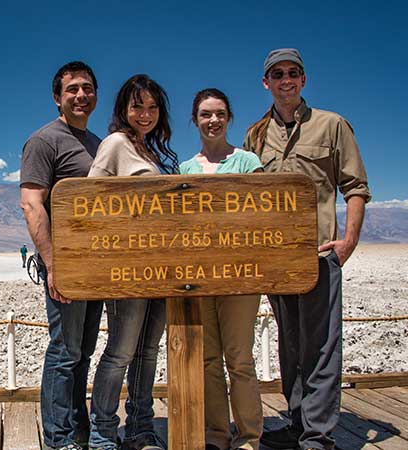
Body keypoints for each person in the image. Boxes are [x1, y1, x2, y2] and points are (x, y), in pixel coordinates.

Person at [244, 49, 370, 450]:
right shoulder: (256, 134)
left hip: (318, 254)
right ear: (266, 82)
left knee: (321, 345)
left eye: (293, 73)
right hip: (275, 258)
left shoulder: (331, 126)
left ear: (303, 79)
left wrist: (348, 241)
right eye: (277, 74)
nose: (286, 80)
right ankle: (297, 423)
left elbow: (355, 187)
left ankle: (318, 435)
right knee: (290, 345)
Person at [86, 74, 178, 450]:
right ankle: (103, 430)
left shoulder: (151, 153)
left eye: (152, 107)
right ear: (124, 109)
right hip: (128, 268)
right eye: (137, 106)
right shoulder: (115, 144)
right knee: (121, 350)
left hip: (162, 268)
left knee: (147, 350)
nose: (145, 113)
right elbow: (90, 199)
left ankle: (140, 425)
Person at [20, 60, 104, 450]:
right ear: (57, 97)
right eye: (72, 89)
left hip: (95, 266)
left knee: (83, 352)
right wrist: (53, 265)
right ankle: (57, 438)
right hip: (66, 265)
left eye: (87, 88)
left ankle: (78, 429)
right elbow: (32, 204)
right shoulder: (44, 141)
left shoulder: (97, 145)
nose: (80, 95)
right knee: (64, 351)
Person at [180, 88, 262, 450]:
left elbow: (263, 213)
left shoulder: (247, 162)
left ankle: (249, 436)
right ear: (195, 120)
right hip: (200, 277)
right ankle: (217, 435)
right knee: (209, 359)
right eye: (205, 114)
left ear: (229, 118)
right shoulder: (184, 169)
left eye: (219, 114)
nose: (213, 120)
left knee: (240, 359)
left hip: (241, 275)